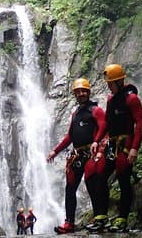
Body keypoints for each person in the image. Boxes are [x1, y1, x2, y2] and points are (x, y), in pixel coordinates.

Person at [47, 78, 106, 234]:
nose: (81, 94)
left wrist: (97, 142)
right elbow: (69, 136)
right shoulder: (75, 114)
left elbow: (104, 127)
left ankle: (99, 217)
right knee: (70, 188)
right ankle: (69, 223)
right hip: (77, 154)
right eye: (78, 92)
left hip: (91, 152)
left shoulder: (96, 110)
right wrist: (55, 151)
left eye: (83, 91)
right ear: (75, 94)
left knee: (91, 182)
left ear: (88, 92)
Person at [101, 64, 142, 232]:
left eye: (111, 83)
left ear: (120, 81)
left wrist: (134, 148)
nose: (109, 86)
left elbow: (140, 123)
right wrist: (98, 140)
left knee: (123, 179)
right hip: (112, 144)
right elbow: (106, 122)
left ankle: (122, 218)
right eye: (108, 83)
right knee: (101, 176)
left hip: (125, 143)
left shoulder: (131, 99)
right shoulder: (111, 100)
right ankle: (102, 216)